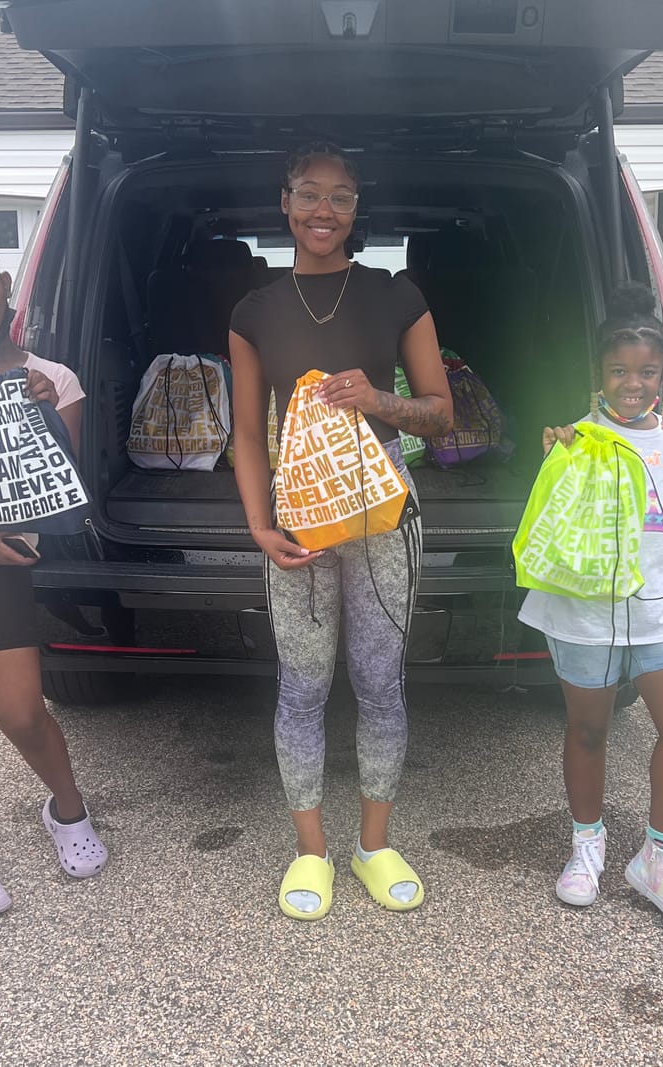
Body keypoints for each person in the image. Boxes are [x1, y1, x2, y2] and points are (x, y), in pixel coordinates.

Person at [229, 144, 453, 920]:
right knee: (303, 683)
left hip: (384, 511)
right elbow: (249, 435)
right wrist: (259, 523)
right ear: (285, 202)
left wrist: (376, 401)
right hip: (299, 514)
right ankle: (311, 852)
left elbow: (439, 411)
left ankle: (375, 844)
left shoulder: (396, 295)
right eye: (310, 195)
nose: (325, 211)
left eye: (343, 197)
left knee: (380, 680)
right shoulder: (254, 310)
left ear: (359, 210)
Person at [518, 282, 663, 938]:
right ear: (599, 375)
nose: (632, 384)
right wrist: (560, 449)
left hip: (654, 615)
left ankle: (660, 858)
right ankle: (588, 843)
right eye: (619, 371)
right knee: (587, 729)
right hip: (584, 615)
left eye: (646, 372)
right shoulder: (576, 439)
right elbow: (547, 523)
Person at [0, 234, 107, 918]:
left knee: (21, 711)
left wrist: (38, 408)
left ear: (5, 283)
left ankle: (67, 808)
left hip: (4, 560)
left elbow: (61, 488)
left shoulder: (55, 377)